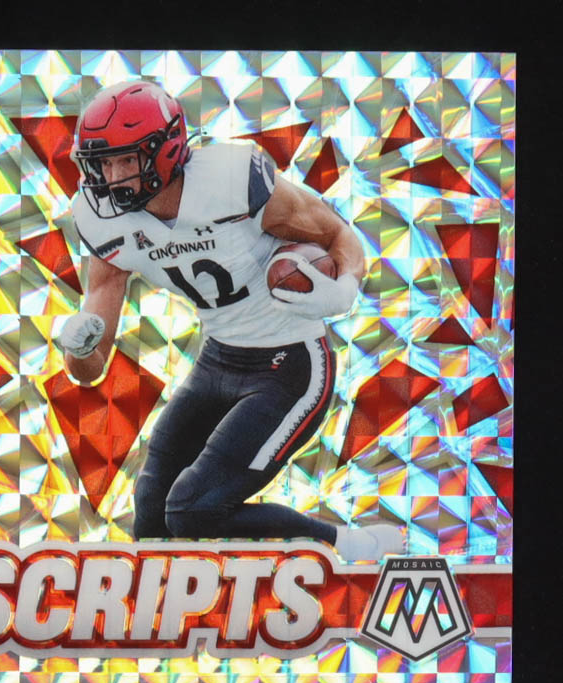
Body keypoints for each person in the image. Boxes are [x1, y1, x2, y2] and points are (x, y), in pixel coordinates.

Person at [59, 79, 405, 562]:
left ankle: (346, 545)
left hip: (290, 364)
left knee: (192, 509)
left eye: (125, 161)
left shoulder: (230, 181)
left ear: (165, 150)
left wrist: (343, 291)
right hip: (218, 359)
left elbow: (336, 235)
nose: (111, 177)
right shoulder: (102, 219)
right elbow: (90, 368)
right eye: (102, 163)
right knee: (152, 517)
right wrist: (78, 349)